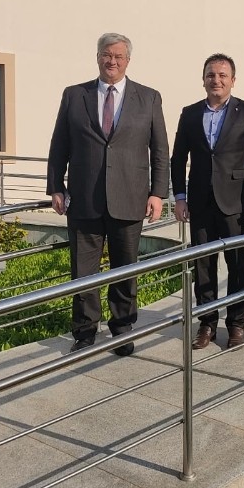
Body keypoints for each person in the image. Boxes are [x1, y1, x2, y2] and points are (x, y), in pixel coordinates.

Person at [47, 33, 169, 356]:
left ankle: (122, 329)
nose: (111, 61)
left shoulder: (149, 98)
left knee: (125, 268)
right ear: (97, 56)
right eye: (106, 54)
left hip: (130, 197)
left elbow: (160, 151)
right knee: (83, 271)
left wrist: (158, 193)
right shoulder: (75, 95)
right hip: (83, 199)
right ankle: (85, 331)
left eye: (118, 56)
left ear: (128, 60)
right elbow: (59, 144)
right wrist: (55, 185)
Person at [171, 54, 244, 349]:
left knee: (237, 264)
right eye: (211, 75)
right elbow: (178, 158)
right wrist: (179, 197)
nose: (216, 80)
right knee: (203, 264)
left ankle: (237, 324)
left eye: (222, 75)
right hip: (199, 202)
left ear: (232, 80)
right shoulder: (190, 113)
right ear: (203, 79)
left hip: (235, 202)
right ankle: (207, 323)